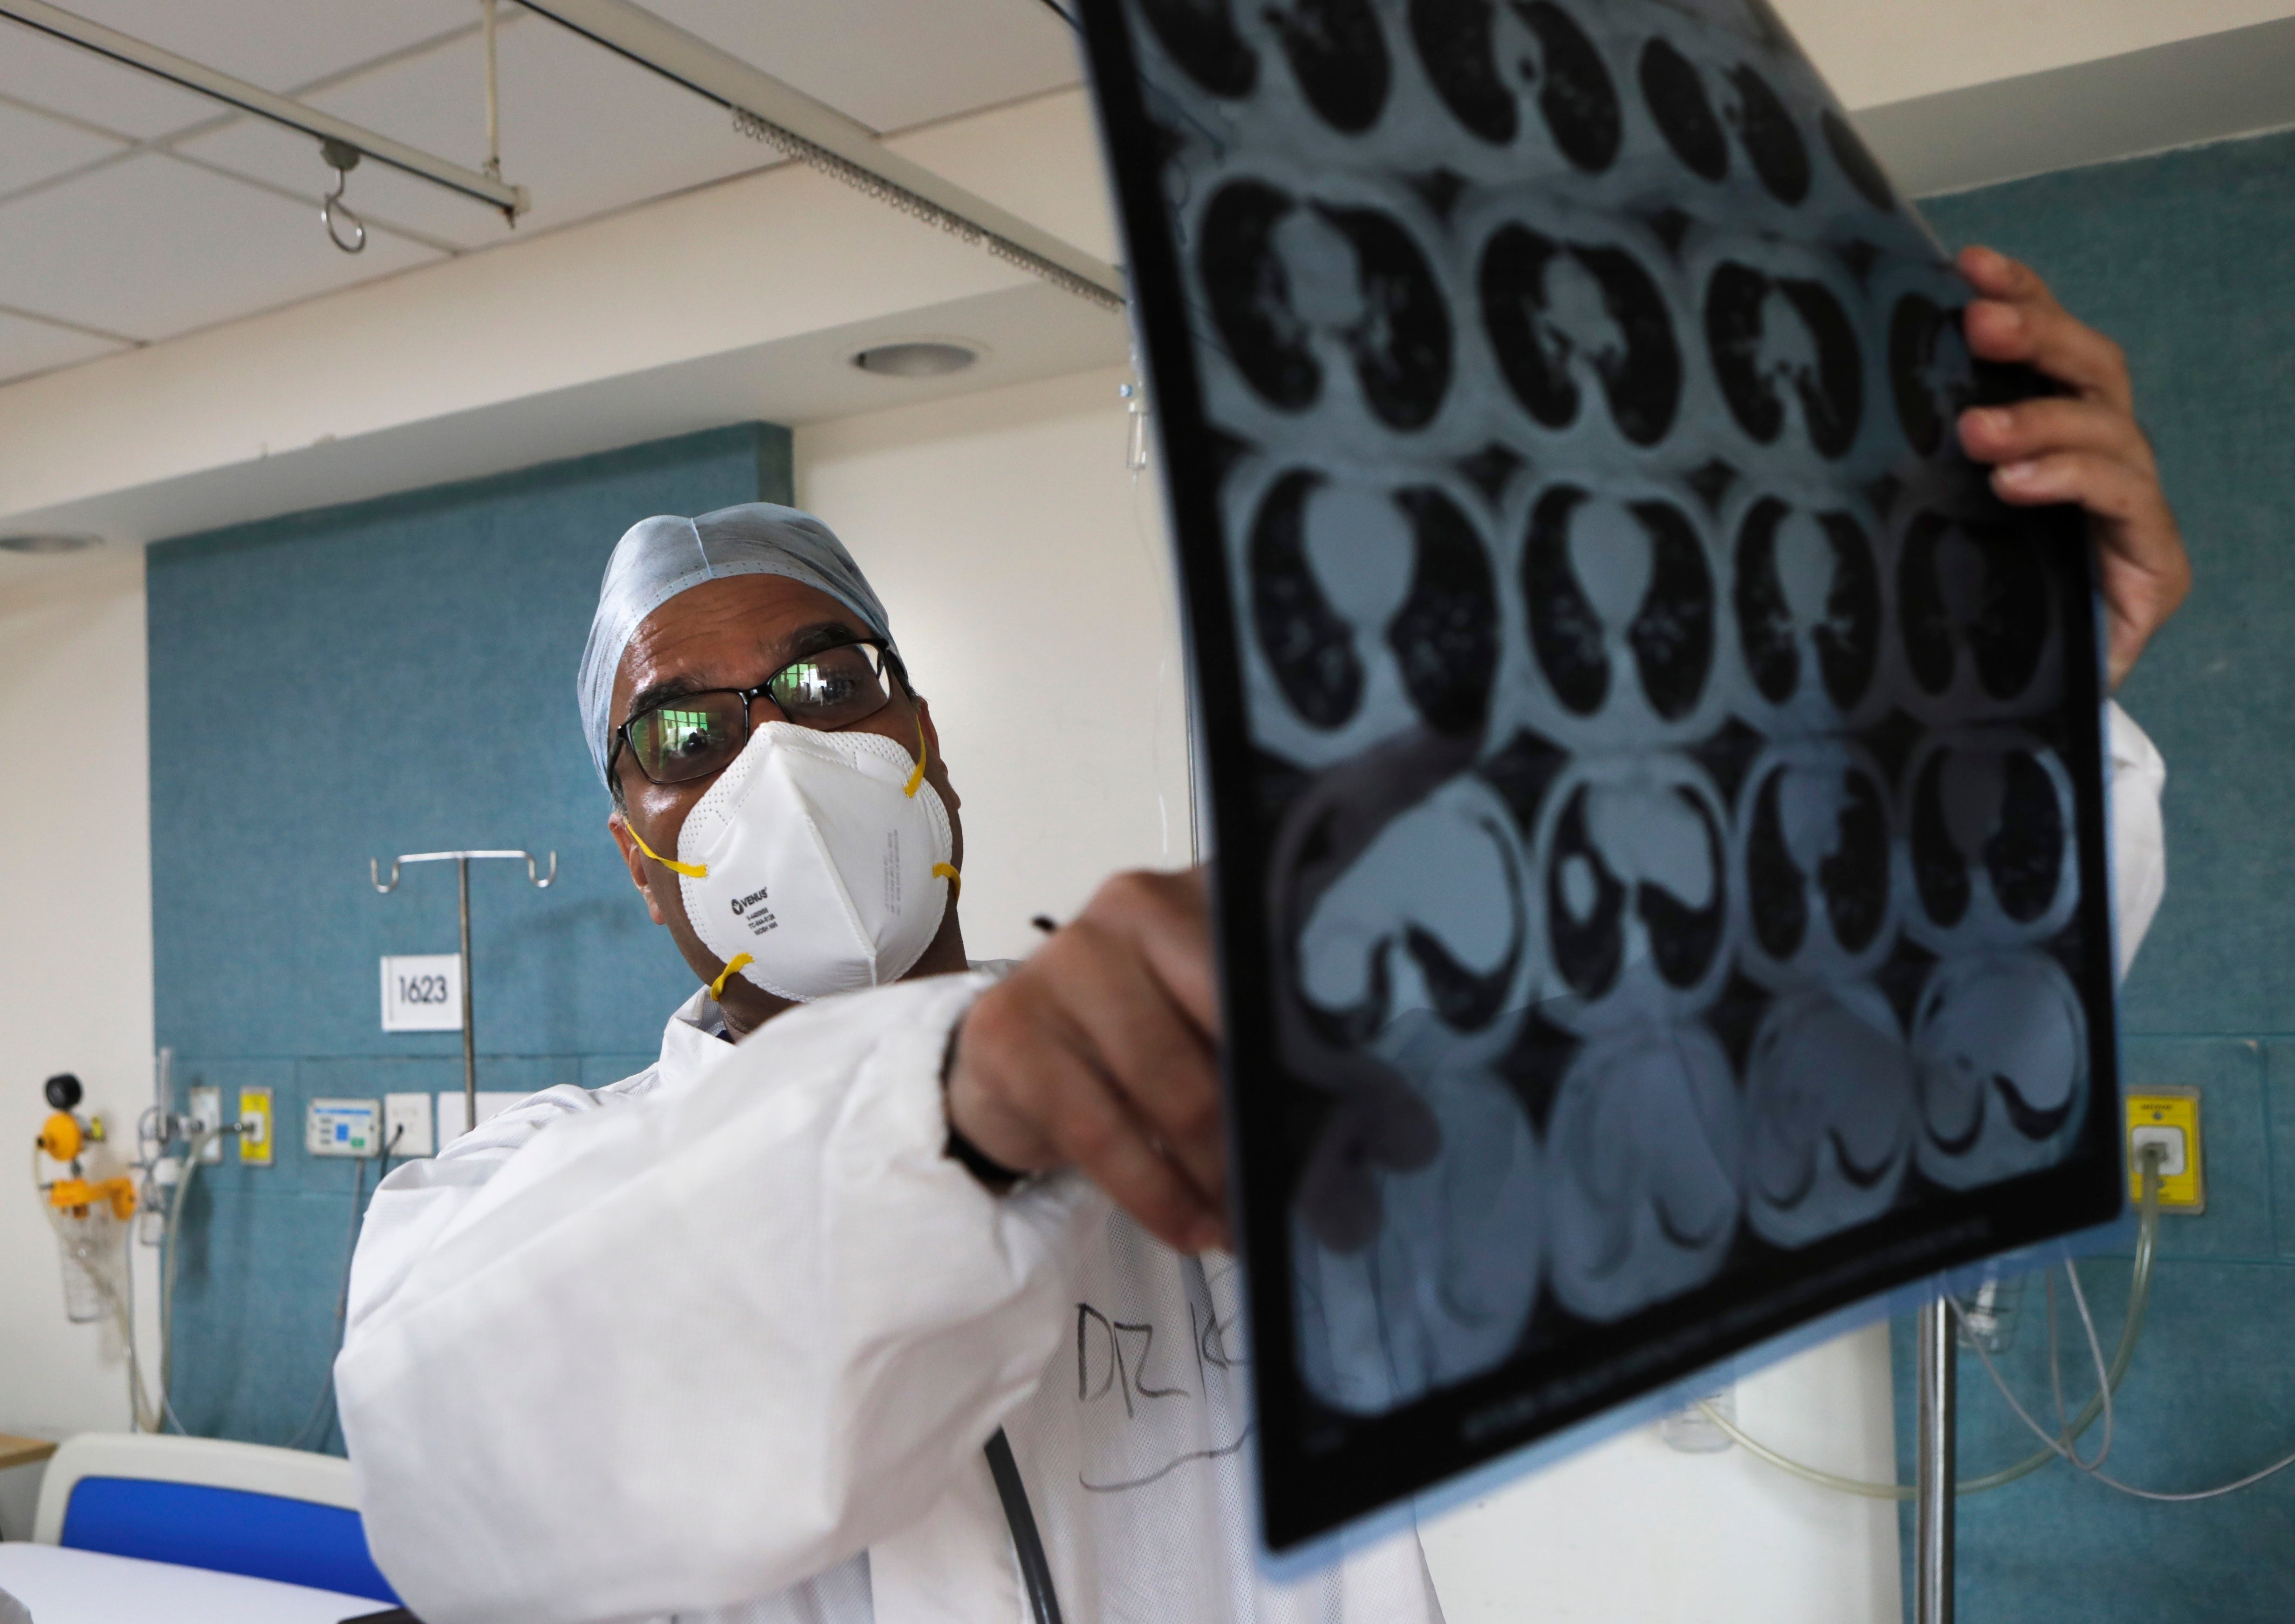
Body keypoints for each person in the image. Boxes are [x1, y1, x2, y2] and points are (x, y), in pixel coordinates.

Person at [335, 247, 2189, 1624]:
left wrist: (1983, 719)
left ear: (924, 743)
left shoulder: (1224, 1050)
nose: (779, 754)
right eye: (683, 729)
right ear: (631, 848)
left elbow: (1754, 1065)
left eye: (833, 679)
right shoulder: (520, 1203)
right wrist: (952, 1114)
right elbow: (462, 1458)